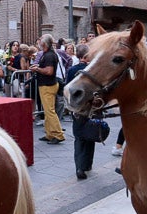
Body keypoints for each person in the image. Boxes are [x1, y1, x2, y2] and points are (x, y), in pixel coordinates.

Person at [65, 45, 100, 180]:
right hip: (93, 107)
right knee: (90, 135)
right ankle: (87, 164)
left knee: (79, 138)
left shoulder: (72, 70)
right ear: (86, 56)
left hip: (78, 109)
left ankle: (79, 167)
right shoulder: (93, 70)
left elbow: (68, 87)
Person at [34, 34, 66, 144]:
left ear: (44, 43)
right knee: (48, 110)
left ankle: (58, 134)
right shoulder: (48, 54)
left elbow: (49, 71)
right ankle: (50, 133)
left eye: (40, 39)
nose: (39, 41)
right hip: (48, 85)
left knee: (50, 111)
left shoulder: (49, 56)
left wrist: (37, 69)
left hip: (47, 85)